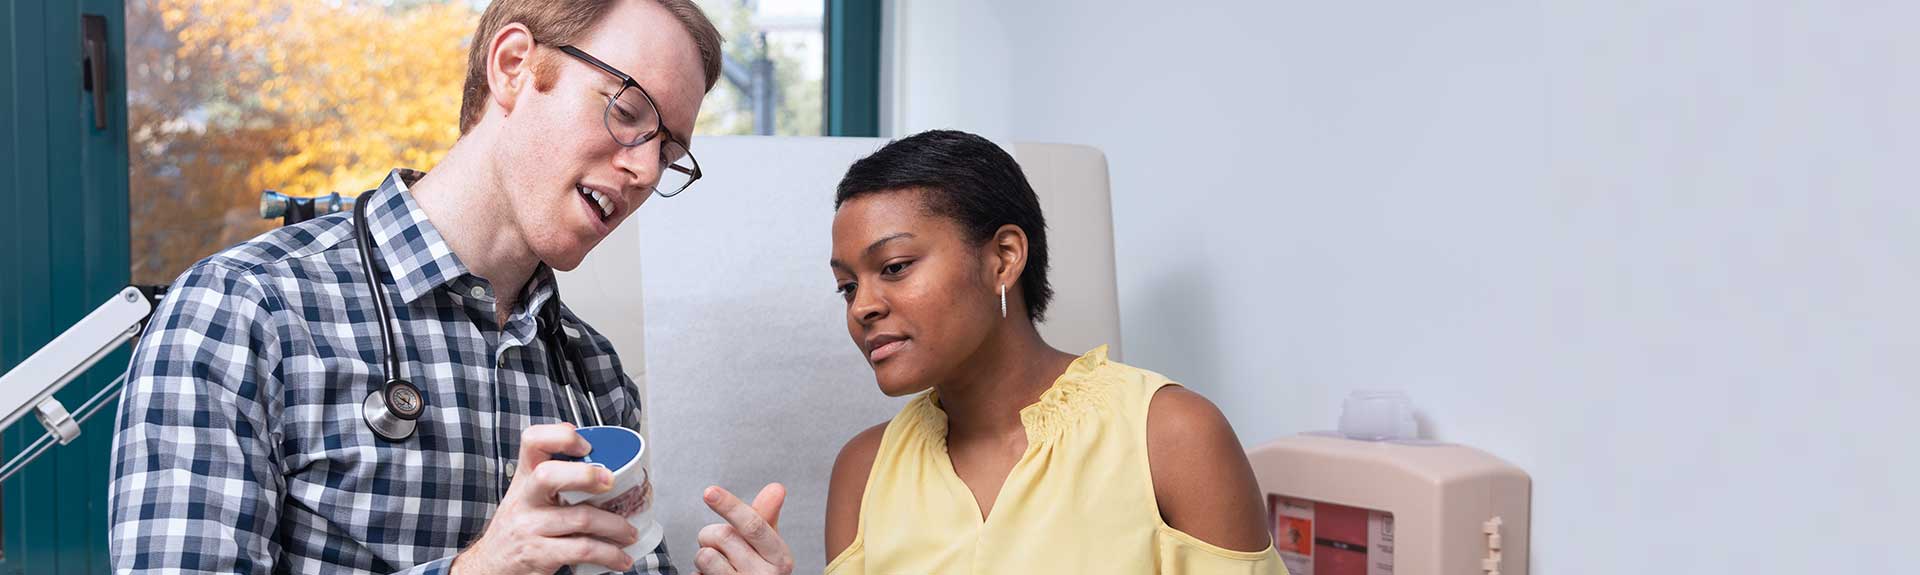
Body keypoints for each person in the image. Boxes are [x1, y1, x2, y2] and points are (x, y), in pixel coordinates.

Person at [107, 1, 793, 573]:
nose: (644, 168)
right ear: (514, 65)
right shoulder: (243, 312)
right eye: (628, 110)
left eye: (668, 150)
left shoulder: (594, 376)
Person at [821, 130, 1289, 573]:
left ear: (1003, 257)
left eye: (895, 266)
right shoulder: (863, 473)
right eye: (847, 287)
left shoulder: (1171, 438)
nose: (862, 306)